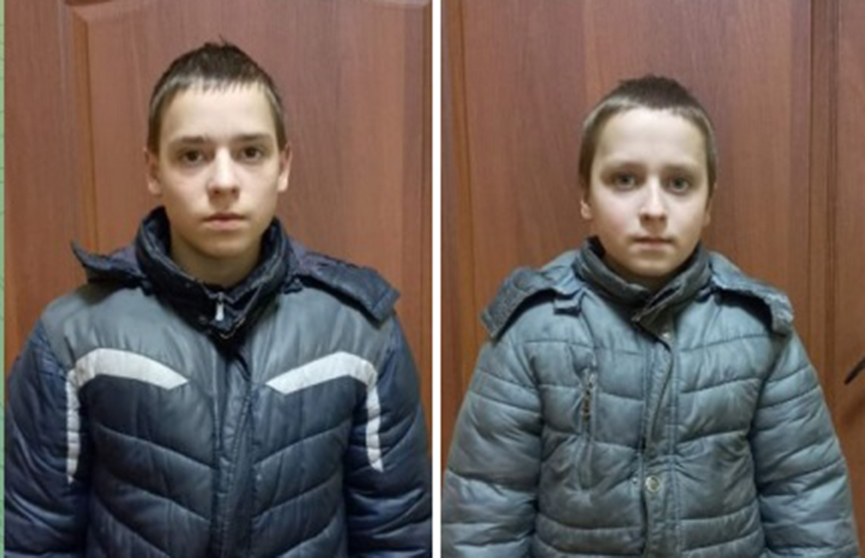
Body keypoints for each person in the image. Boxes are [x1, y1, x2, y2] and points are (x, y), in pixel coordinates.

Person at [5, 41, 431, 557]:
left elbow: (398, 536)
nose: (224, 182)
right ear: (153, 170)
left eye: (250, 152)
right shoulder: (73, 337)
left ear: (283, 165)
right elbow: (33, 539)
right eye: (192, 155)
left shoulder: (360, 334)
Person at [442, 75, 859, 557]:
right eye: (625, 180)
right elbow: (484, 519)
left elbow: (808, 507)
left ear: (708, 202)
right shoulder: (532, 329)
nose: (654, 209)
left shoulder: (758, 331)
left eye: (679, 183)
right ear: (585, 196)